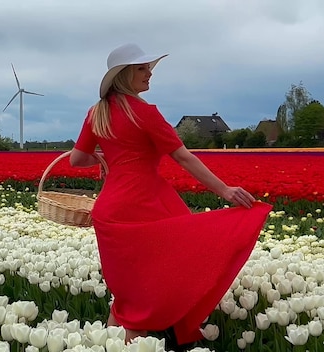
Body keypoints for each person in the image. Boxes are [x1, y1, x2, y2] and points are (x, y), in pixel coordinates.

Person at [69, 43, 272, 345]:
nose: (149, 73)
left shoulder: (96, 113)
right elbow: (183, 157)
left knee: (128, 298)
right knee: (179, 267)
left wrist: (106, 157)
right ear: (124, 74)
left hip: (110, 212)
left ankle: (109, 345)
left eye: (148, 67)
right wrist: (225, 190)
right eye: (141, 68)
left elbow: (77, 159)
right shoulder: (145, 113)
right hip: (147, 207)